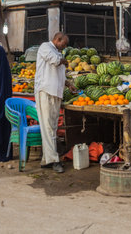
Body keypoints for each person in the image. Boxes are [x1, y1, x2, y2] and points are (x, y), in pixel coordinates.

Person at [35, 32, 74, 173]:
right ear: (57, 40)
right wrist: (64, 61)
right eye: (63, 44)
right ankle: (54, 160)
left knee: (51, 127)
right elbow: (55, 61)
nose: (64, 47)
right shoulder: (45, 47)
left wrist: (68, 84)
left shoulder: (57, 52)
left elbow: (59, 74)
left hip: (56, 93)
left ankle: (46, 159)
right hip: (45, 91)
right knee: (48, 127)